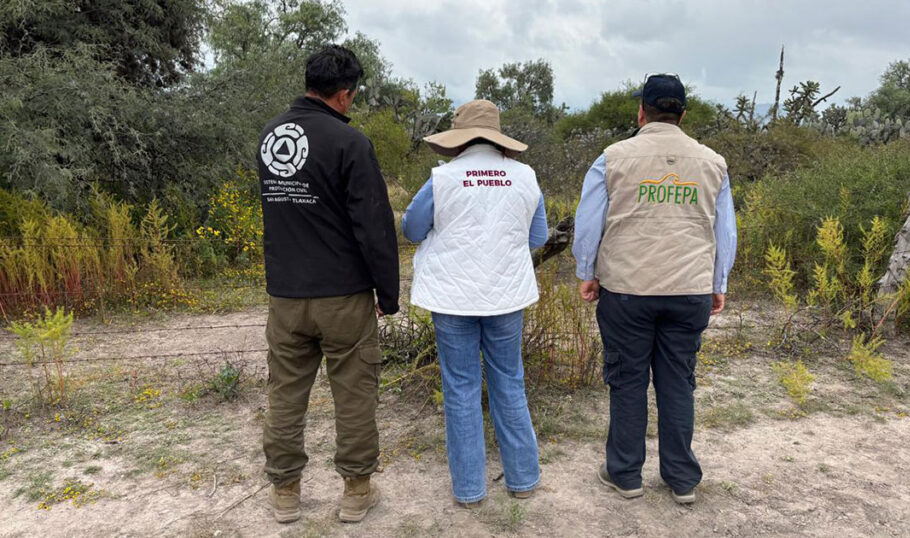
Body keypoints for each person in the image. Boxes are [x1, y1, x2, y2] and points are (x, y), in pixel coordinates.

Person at [572, 74, 737, 505]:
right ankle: (682, 479)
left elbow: (589, 223)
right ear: (683, 114)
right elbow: (725, 231)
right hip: (690, 290)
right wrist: (717, 283)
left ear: (640, 112)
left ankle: (625, 475)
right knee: (678, 382)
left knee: (627, 382)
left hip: (627, 290)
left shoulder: (612, 158)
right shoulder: (712, 162)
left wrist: (587, 271)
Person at [257, 44, 400, 524]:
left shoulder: (269, 135)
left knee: (285, 394)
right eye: (353, 96)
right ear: (344, 94)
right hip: (342, 295)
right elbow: (373, 225)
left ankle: (285, 495)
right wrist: (388, 293)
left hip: (286, 296)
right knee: (354, 393)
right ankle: (356, 493)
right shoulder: (350, 143)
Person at [402, 99, 548, 507]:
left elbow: (412, 229)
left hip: (452, 298)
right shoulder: (526, 177)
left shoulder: (443, 178)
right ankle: (523, 478)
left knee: (461, 389)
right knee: (510, 382)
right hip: (507, 296)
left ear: (459, 140)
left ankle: (469, 490)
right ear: (499, 139)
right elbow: (537, 237)